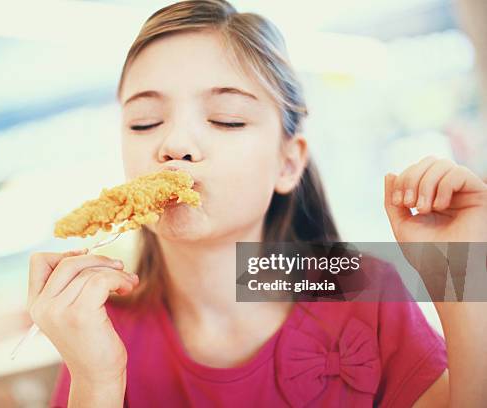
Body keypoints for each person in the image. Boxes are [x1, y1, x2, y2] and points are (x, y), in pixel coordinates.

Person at [26, 1, 487, 406]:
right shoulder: (100, 334)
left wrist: (460, 269)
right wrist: (96, 381)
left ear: (288, 163)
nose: (175, 144)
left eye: (226, 120)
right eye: (144, 122)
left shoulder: (361, 291)